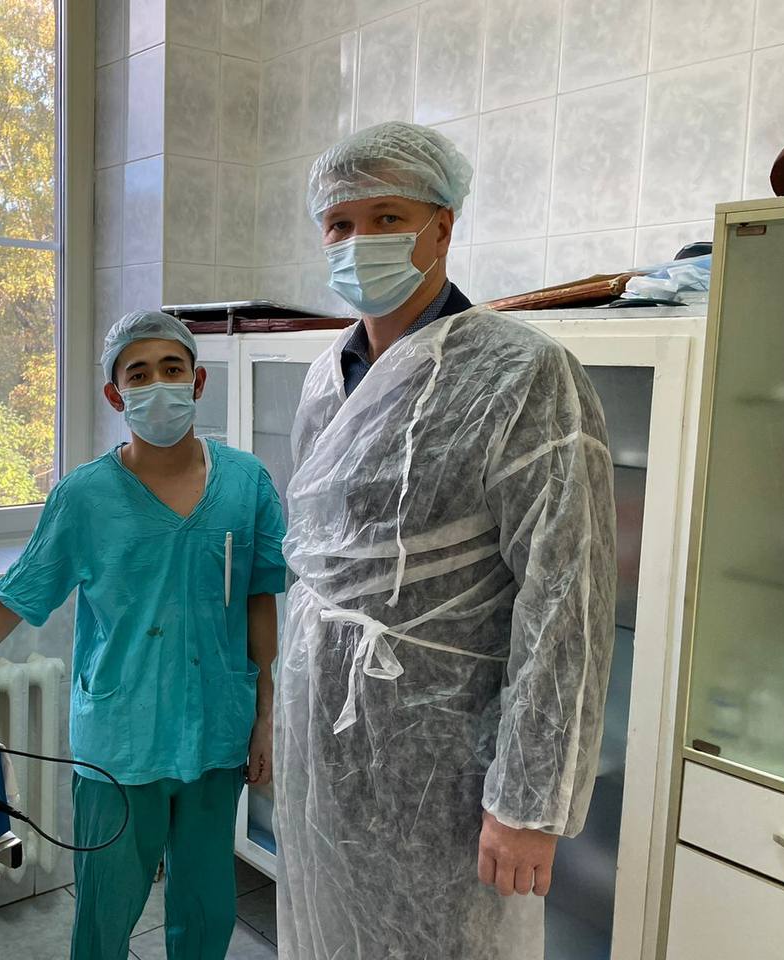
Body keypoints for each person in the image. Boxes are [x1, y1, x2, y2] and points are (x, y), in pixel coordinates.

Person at [272, 120, 617, 959]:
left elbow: (566, 595)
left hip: (451, 757)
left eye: (386, 217)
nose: (359, 241)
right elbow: (320, 559)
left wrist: (527, 800)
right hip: (325, 734)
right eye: (340, 224)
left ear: (442, 228)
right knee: (330, 928)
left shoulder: (522, 372)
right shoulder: (325, 376)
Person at [0, 310, 288, 960]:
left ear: (198, 382)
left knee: (206, 911)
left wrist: (264, 716)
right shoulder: (85, 497)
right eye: (139, 374)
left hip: (216, 731)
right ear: (116, 394)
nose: (158, 384)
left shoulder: (246, 484)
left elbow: (258, 600)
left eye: (172, 368)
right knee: (105, 917)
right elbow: (10, 601)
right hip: (121, 740)